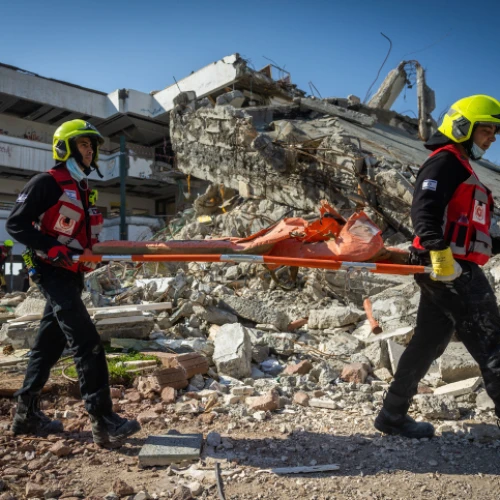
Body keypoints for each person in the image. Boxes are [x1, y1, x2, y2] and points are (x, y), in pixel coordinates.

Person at [6, 119, 140, 447]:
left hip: (71, 272)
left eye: (91, 146)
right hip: (50, 272)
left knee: (48, 344)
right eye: (83, 144)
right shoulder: (46, 183)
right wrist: (49, 246)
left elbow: (79, 234)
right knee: (87, 341)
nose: (90, 150)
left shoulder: (81, 188)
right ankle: (103, 419)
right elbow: (15, 224)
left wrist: (91, 253)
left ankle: (25, 415)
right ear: (65, 148)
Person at [374, 95, 500, 439]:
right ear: (463, 128)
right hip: (447, 266)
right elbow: (424, 212)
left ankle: (392, 415)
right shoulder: (444, 163)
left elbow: (472, 231)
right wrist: (441, 257)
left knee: (428, 342)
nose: (492, 138)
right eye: (486, 130)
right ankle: (393, 414)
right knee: (493, 343)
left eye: (494, 132)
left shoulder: (461, 165)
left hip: (449, 266)